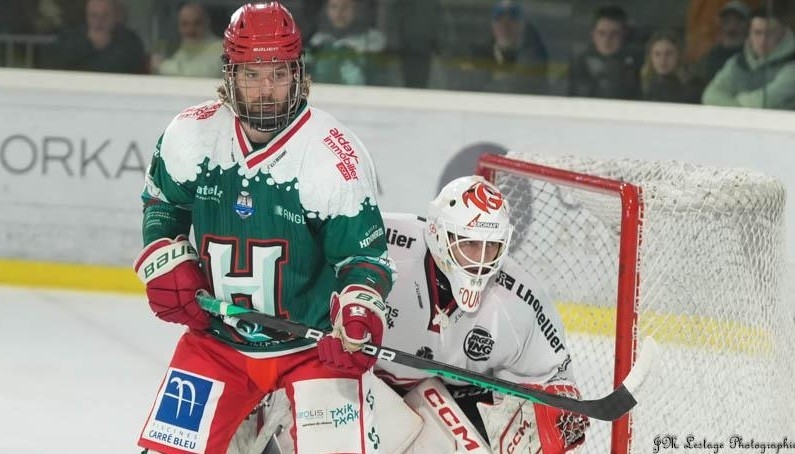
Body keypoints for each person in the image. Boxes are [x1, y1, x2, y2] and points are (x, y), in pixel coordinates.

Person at [132, 3, 395, 453]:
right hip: (217, 342)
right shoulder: (191, 135)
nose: (266, 89)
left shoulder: (333, 156)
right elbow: (163, 203)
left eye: (278, 73)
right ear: (230, 75)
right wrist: (164, 255)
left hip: (312, 349)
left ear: (298, 73)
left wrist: (358, 313)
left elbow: (363, 259)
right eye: (252, 75)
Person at [235, 176, 590, 453]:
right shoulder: (383, 243)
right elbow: (299, 266)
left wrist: (560, 407)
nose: (481, 260)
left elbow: (554, 373)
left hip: (437, 399)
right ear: (437, 232)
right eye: (469, 243)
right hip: (350, 376)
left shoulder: (520, 299)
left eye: (491, 247)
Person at [702, 7, 795, 109]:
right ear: (749, 34)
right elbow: (710, 96)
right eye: (757, 33)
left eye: (770, 33)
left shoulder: (791, 63)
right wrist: (740, 106)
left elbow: (762, 101)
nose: (763, 40)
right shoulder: (738, 62)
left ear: (783, 34)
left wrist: (733, 101)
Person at [460, 0, 550, 95]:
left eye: (513, 17)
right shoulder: (475, 58)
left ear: (523, 24)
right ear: (492, 25)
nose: (505, 25)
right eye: (499, 18)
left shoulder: (536, 61)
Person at [39, 0, 146, 73]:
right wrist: (88, 44)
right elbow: (52, 62)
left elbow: (132, 66)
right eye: (94, 15)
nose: (99, 21)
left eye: (105, 15)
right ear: (86, 16)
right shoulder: (72, 36)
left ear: (114, 16)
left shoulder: (129, 40)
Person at [305, 0, 387, 85]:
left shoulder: (373, 40)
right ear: (327, 10)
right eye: (334, 7)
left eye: (345, 7)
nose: (339, 12)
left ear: (356, 9)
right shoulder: (317, 40)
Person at [567, 4, 640, 100]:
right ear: (593, 34)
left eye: (614, 33)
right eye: (602, 33)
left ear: (624, 34)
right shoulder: (578, 65)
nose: (607, 39)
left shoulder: (638, 64)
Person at [151, 2, 223, 77]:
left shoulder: (221, 48)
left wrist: (162, 65)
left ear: (207, 23)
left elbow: (205, 73)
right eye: (185, 24)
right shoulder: (183, 51)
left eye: (197, 23)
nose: (190, 29)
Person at [692, 1, 751, 84]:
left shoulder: (754, 56)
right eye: (727, 21)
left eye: (739, 21)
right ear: (721, 25)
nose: (732, 27)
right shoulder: (710, 57)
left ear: (748, 26)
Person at [640, 30, 702, 103]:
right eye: (657, 54)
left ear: (679, 55)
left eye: (669, 54)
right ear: (650, 57)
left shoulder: (693, 87)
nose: (663, 60)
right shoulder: (644, 85)